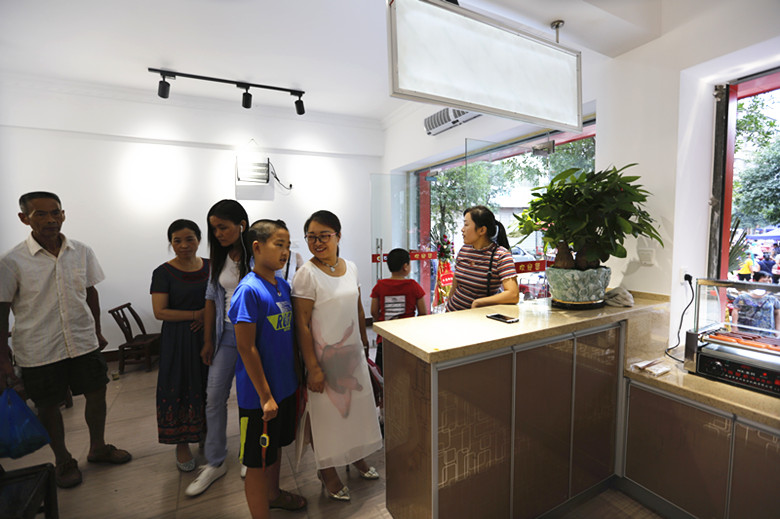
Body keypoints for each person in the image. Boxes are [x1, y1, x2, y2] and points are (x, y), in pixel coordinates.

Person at [0, 191, 131, 489]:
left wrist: (97, 330)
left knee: (97, 392)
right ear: (24, 218)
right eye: (40, 214)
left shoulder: (81, 251)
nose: (50, 219)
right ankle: (63, 460)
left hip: (82, 340)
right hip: (38, 347)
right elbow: (2, 309)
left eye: (55, 212)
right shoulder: (11, 261)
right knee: (48, 405)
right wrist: (3, 356)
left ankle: (98, 447)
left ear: (63, 214)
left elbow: (90, 292)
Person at [292, 210, 383, 502]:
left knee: (355, 410)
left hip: (352, 355)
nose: (318, 242)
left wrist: (364, 343)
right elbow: (302, 324)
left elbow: (357, 307)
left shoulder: (351, 267)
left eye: (324, 236)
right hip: (322, 359)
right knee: (326, 416)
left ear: (338, 236)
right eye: (312, 237)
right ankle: (327, 469)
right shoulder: (306, 274)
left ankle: (356, 457)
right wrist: (313, 368)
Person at [230, 219, 307, 518]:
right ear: (257, 247)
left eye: (287, 245)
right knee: (256, 462)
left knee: (273, 450)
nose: (285, 251)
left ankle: (273, 496)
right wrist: (264, 396)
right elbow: (245, 347)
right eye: (279, 244)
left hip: (285, 387)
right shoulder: (248, 290)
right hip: (259, 397)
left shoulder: (282, 286)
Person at [186, 199, 250, 496]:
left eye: (223, 227)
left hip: (254, 338)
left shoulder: (258, 255)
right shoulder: (219, 259)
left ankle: (249, 455)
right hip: (226, 336)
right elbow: (211, 299)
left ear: (242, 225)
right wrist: (208, 340)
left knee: (250, 400)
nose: (218, 234)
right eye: (214, 229)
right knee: (214, 398)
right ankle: (215, 461)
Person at [150, 219, 210, 472]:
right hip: (178, 340)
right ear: (171, 243)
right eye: (177, 241)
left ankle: (206, 435)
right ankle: (181, 444)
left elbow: (222, 297)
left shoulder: (211, 266)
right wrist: (196, 315)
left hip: (208, 336)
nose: (184, 245)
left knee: (208, 387)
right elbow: (160, 312)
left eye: (189, 239)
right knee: (178, 388)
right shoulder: (163, 273)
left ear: (199, 240)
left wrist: (207, 318)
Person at [446, 205, 520, 311]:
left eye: (466, 225)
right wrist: (448, 305)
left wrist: (478, 302)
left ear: (482, 230)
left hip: (476, 318)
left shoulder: (501, 256)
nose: (462, 229)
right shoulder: (464, 250)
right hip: (452, 312)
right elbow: (456, 283)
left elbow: (513, 294)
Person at [369, 248, 427, 371]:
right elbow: (423, 312)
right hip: (407, 338)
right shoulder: (413, 285)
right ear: (405, 266)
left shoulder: (380, 285)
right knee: (407, 372)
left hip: (385, 338)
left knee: (383, 372)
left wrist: (381, 322)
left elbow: (373, 311)